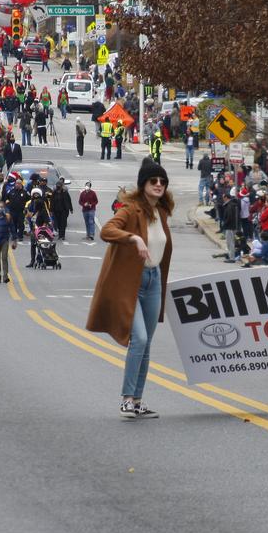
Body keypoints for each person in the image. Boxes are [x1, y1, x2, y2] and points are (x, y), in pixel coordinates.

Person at [87, 158, 174, 418]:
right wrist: (133, 238)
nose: (158, 185)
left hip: (153, 279)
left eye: (162, 181)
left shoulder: (161, 212)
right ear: (143, 184)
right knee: (140, 339)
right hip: (131, 282)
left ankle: (137, 400)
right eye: (153, 181)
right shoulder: (130, 209)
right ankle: (126, 398)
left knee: (146, 345)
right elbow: (108, 231)